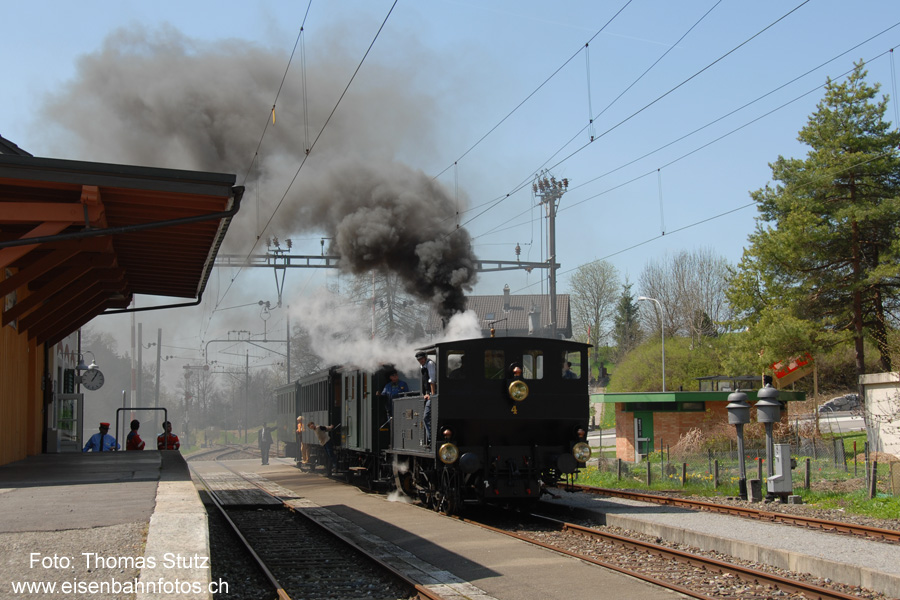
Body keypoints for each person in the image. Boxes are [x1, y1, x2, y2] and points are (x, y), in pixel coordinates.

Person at [416, 351, 436, 446]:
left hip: (433, 395)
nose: (420, 361)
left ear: (425, 357)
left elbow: (432, 380)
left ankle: (431, 439)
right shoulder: (422, 367)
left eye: (421, 359)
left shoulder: (430, 364)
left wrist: (432, 395)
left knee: (426, 417)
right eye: (419, 360)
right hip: (428, 394)